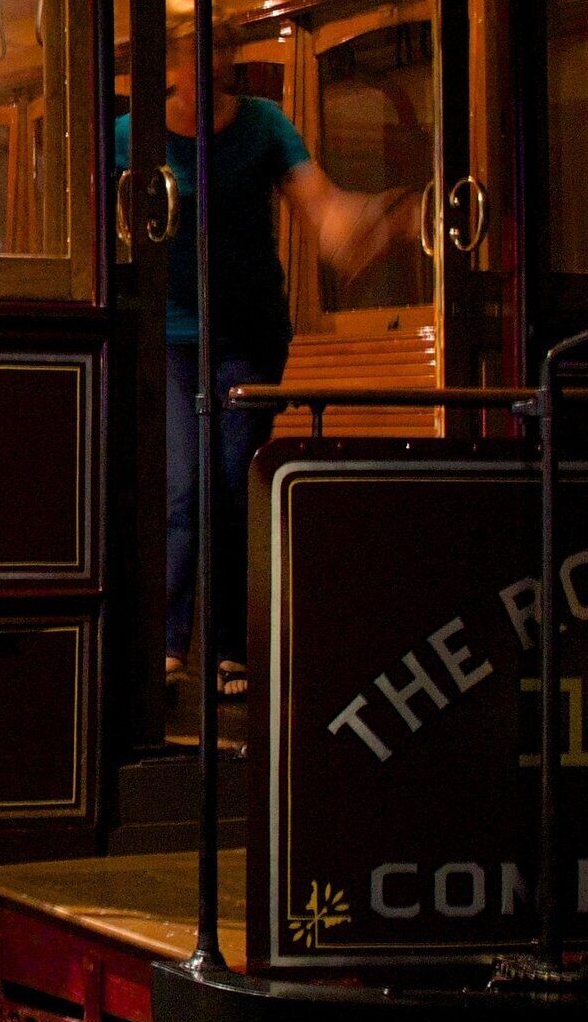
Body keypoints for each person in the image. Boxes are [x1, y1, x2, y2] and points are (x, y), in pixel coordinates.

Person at [126, 47, 416, 714]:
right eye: (192, 64)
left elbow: (321, 207)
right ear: (173, 68)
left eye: (215, 64)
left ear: (226, 67)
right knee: (183, 486)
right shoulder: (133, 134)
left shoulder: (263, 125)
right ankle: (167, 645)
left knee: (233, 485)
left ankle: (230, 646)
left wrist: (370, 223)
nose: (204, 79)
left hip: (248, 336)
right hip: (169, 335)